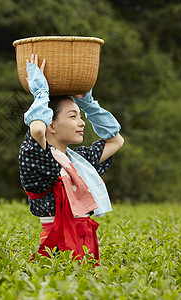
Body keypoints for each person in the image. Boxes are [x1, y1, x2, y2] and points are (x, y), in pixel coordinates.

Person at [19, 54, 124, 261]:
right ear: (52, 125)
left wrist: (88, 105)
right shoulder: (38, 157)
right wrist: (41, 95)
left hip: (86, 244)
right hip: (56, 249)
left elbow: (116, 141)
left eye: (80, 116)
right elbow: (37, 130)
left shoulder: (79, 161)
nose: (81, 122)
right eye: (73, 116)